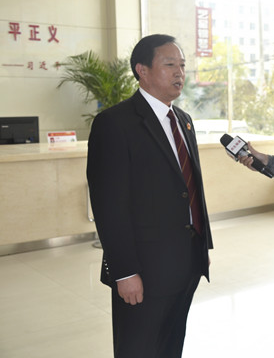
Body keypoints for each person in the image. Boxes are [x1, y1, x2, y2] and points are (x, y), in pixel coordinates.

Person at [87, 34, 213, 358]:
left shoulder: (183, 121)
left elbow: (190, 189)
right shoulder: (114, 123)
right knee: (138, 349)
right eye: (170, 64)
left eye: (182, 65)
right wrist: (125, 272)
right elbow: (109, 206)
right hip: (144, 270)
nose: (179, 72)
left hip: (186, 263)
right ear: (141, 70)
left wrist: (201, 247)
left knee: (171, 344)